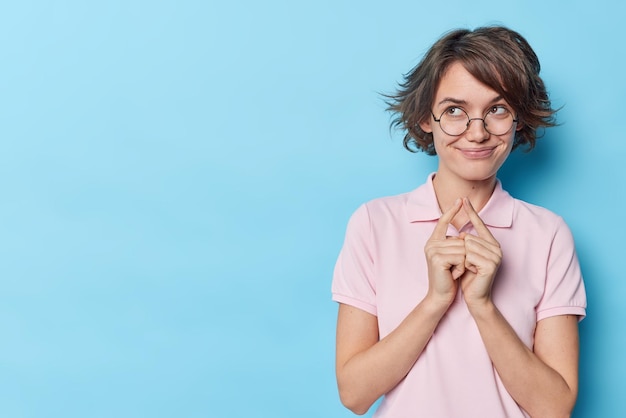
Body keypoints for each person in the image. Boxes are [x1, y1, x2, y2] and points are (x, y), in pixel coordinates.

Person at [331, 26, 586, 418]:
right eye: (455, 110)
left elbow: (554, 408)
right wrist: (436, 301)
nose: (478, 131)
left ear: (519, 119)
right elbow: (354, 394)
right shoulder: (373, 223)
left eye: (497, 109)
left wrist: (482, 304)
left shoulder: (548, 234)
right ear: (426, 119)